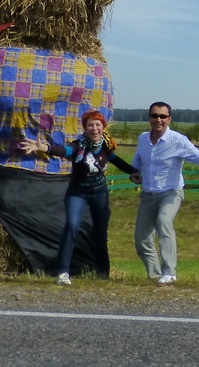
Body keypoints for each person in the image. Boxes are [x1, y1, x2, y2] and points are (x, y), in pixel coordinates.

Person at [18, 110, 137, 284]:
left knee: (100, 234)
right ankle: (63, 272)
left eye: (98, 124)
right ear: (85, 128)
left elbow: (114, 159)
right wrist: (43, 147)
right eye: (90, 125)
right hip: (78, 193)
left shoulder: (106, 144)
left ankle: (103, 274)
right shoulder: (78, 146)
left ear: (103, 127)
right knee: (72, 226)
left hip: (100, 193)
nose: (94, 128)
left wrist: (132, 172)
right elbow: (64, 151)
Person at [132, 102, 199, 284]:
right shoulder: (142, 139)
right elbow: (137, 161)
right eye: (154, 116)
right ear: (149, 118)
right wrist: (135, 173)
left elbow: (198, 156)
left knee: (164, 220)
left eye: (163, 116)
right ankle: (155, 276)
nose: (158, 120)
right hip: (148, 194)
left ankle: (169, 272)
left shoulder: (178, 140)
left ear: (169, 119)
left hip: (171, 192)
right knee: (141, 240)